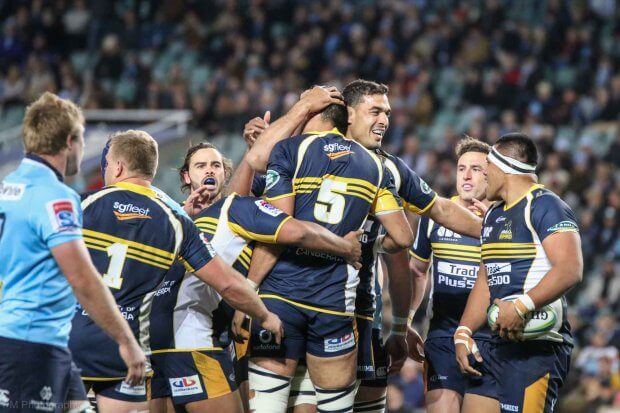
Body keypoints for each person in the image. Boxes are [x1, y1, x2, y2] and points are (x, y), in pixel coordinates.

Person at [69, 130, 283, 413]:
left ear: (118, 167)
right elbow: (228, 283)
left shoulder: (80, 204)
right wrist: (264, 315)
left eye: (106, 164)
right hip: (125, 345)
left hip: (72, 335)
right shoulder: (175, 219)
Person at [148, 141, 363, 413]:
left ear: (226, 173)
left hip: (177, 339)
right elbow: (296, 232)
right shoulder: (216, 212)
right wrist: (346, 248)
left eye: (215, 165)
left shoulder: (179, 218)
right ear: (186, 176)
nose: (209, 171)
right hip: (195, 336)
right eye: (200, 166)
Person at [245, 89, 413, 413]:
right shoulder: (376, 166)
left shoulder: (291, 149)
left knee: (268, 404)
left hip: (281, 296)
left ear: (311, 114)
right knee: (333, 406)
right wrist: (365, 243)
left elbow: (278, 227)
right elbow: (403, 237)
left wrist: (248, 289)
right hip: (334, 303)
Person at [341, 79, 484, 413]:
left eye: (387, 113)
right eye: (375, 111)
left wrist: (400, 326)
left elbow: (405, 253)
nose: (385, 120)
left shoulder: (391, 168)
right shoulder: (309, 151)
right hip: (303, 301)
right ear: (349, 114)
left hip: (365, 313)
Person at [0, 92, 145, 413]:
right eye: (82, 138)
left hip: (28, 337)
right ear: (70, 141)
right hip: (34, 344)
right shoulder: (56, 198)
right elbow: (82, 278)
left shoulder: (8, 186)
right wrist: (127, 341)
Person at [455, 133, 583, 413]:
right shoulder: (492, 215)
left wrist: (521, 306)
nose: (483, 174)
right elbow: (486, 279)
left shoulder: (546, 204)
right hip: (494, 344)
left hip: (536, 350)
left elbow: (570, 269)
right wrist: (463, 331)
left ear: (504, 167)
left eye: (486, 165)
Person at [409, 137, 496, 413]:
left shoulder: (503, 219)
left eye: (476, 169)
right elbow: (417, 272)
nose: (466, 175)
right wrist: (406, 322)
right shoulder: (437, 215)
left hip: (489, 338)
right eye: (461, 168)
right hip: (443, 335)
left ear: (490, 175)